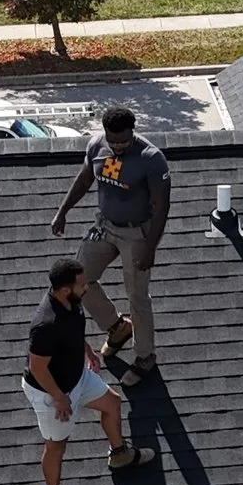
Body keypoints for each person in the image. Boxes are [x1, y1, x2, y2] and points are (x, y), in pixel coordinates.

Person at [24, 258, 155, 485]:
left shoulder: (71, 302)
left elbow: (73, 330)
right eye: (82, 284)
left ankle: (119, 454)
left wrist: (86, 351)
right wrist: (59, 397)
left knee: (112, 403)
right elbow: (37, 367)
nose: (87, 287)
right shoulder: (45, 324)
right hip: (51, 392)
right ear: (64, 290)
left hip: (77, 377)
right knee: (56, 446)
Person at [51, 105, 169, 387]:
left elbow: (162, 205)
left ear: (133, 131)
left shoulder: (150, 158)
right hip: (104, 227)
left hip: (137, 234)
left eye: (123, 141)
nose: (117, 147)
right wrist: (63, 210)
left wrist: (150, 247)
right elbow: (84, 178)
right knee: (77, 279)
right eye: (112, 141)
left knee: (137, 295)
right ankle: (117, 328)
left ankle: (144, 356)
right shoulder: (96, 146)